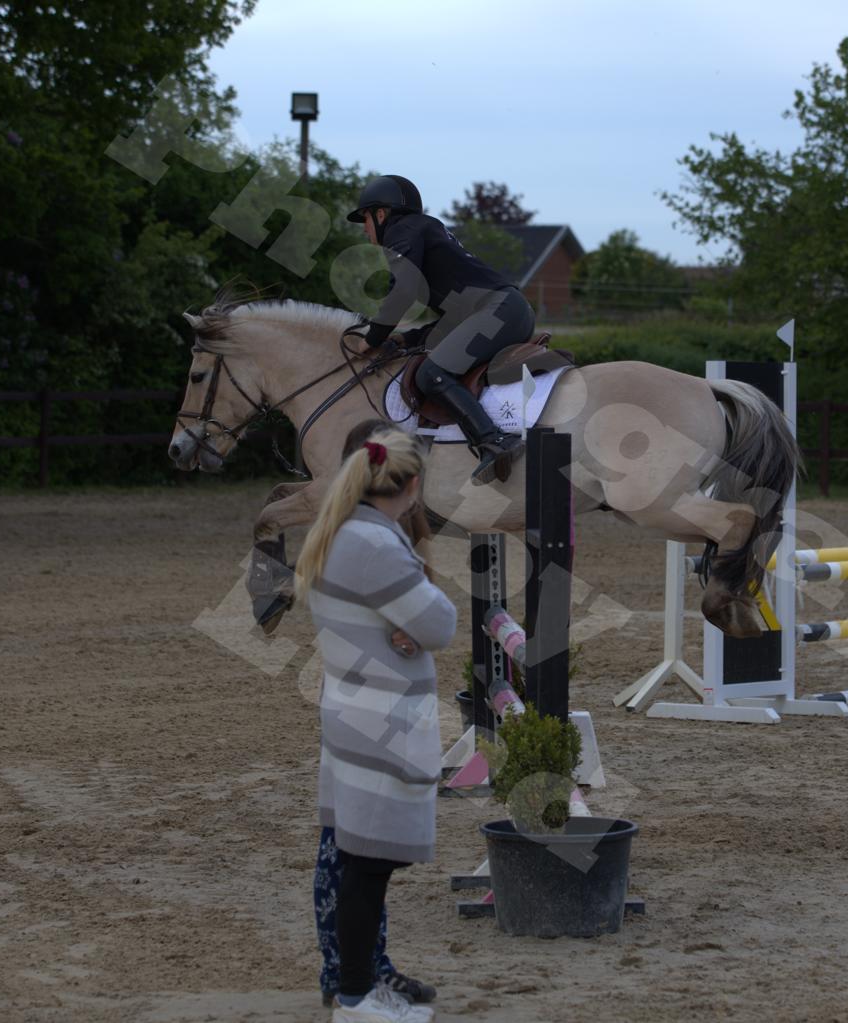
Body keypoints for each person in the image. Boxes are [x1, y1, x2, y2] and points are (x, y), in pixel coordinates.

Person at [295, 426, 456, 1023]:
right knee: (367, 866)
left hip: (352, 708)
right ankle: (357, 995)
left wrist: (400, 626)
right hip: (381, 720)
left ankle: (357, 986)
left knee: (360, 863)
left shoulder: (342, 530)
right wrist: (411, 626)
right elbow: (441, 623)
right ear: (412, 487)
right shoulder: (377, 545)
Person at [346, 174, 537, 484]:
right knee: (431, 362)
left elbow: (403, 290)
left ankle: (495, 441)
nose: (364, 228)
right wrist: (405, 339)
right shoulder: (422, 231)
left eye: (365, 219)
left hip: (498, 311)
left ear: (381, 214)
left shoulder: (400, 230)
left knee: (431, 373)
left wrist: (373, 337)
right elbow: (452, 323)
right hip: (506, 310)